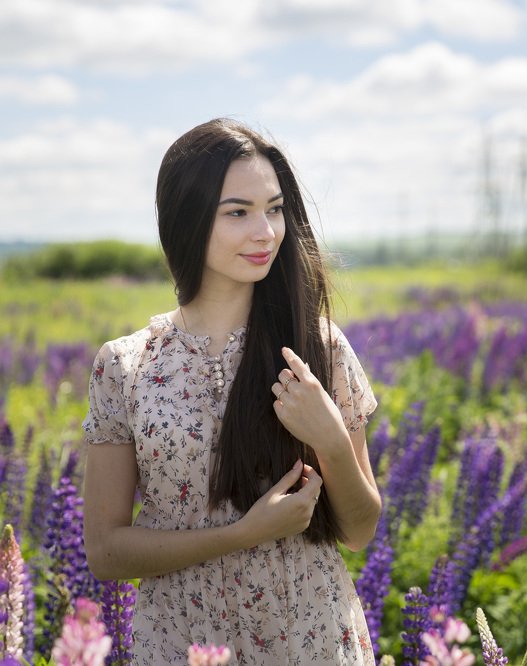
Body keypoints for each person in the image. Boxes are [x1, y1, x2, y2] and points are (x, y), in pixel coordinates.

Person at [82, 118, 382, 664]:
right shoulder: (125, 367)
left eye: (275, 209)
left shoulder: (318, 348)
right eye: (238, 212)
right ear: (188, 218)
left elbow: (360, 530)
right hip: (178, 643)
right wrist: (242, 534)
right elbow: (105, 551)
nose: (265, 232)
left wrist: (333, 441)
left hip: (307, 639)